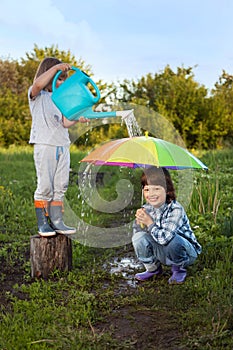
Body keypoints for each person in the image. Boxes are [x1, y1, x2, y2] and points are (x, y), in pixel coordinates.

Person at [28, 57, 89, 237]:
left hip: (63, 145)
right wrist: (55, 68)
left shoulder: (60, 100)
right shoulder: (36, 94)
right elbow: (38, 84)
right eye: (58, 77)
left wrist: (78, 118)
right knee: (45, 185)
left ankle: (57, 221)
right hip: (45, 144)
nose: (60, 82)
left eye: (63, 79)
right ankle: (43, 223)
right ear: (49, 74)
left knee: (60, 184)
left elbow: (64, 122)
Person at [132, 166, 202, 284]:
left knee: (173, 240)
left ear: (167, 190)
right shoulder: (147, 209)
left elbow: (165, 239)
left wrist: (149, 222)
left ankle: (179, 269)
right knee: (138, 237)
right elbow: (140, 238)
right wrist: (139, 223)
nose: (151, 194)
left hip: (185, 252)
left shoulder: (175, 209)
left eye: (156, 189)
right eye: (147, 190)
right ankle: (153, 269)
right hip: (163, 250)